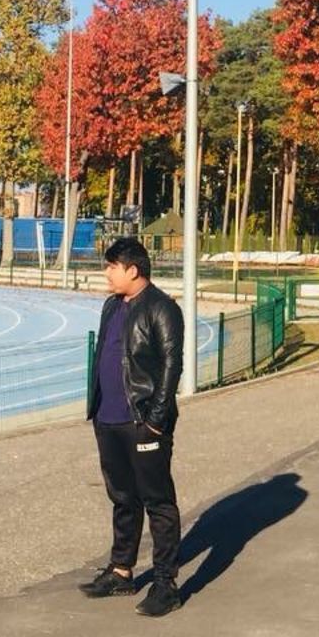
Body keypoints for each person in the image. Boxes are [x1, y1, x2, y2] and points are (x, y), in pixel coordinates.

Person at [79, 236, 184, 617]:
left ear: (133, 270)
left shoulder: (162, 309)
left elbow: (173, 367)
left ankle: (165, 583)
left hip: (143, 423)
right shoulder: (112, 306)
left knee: (157, 501)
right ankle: (122, 570)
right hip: (108, 420)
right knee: (122, 497)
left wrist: (155, 422)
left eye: (111, 267)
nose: (106, 273)